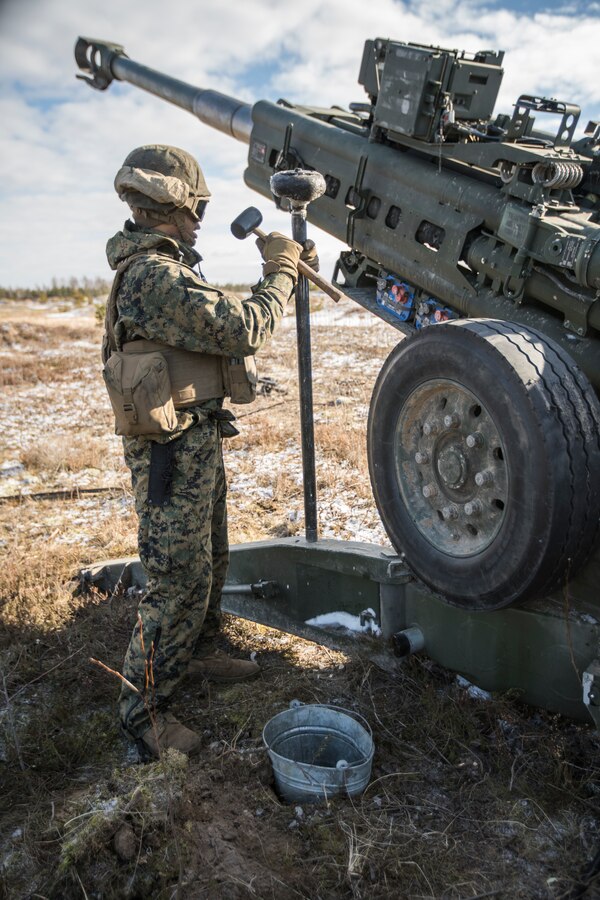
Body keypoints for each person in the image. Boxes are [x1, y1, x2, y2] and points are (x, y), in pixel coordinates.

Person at [104, 144, 317, 759]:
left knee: (211, 555)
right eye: (195, 206)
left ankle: (197, 652)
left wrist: (282, 268)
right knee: (176, 581)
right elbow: (242, 326)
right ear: (174, 204)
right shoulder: (152, 275)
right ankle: (143, 719)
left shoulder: (168, 270)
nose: (200, 217)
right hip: (170, 451)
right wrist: (279, 270)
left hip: (194, 438)